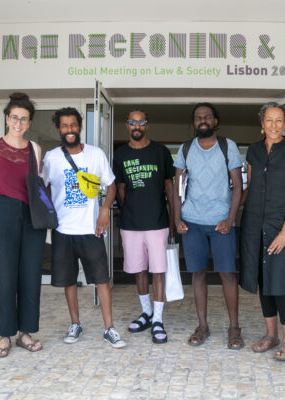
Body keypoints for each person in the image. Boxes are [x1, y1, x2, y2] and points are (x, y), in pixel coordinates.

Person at [42, 107, 125, 348]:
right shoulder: (51, 157)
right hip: (62, 230)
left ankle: (109, 328)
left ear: (80, 127)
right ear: (59, 129)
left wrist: (103, 212)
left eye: (73, 125)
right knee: (69, 281)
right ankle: (75, 323)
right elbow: (42, 188)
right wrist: (47, 214)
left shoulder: (95, 155)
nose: (69, 130)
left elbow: (111, 185)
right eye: (64, 126)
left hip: (91, 230)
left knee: (101, 280)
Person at [0, 92, 45, 357]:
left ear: (29, 123)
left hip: (32, 217)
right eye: (14, 117)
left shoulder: (35, 149)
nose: (18, 123)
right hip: (2, 213)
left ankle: (25, 332)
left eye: (24, 119)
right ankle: (4, 334)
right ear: (7, 118)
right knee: (5, 276)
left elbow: (36, 186)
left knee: (30, 276)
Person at [240, 102, 285, 361]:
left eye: (279, 120)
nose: (274, 125)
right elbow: (250, 187)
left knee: (280, 284)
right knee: (263, 281)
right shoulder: (254, 152)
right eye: (269, 120)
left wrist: (284, 233)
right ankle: (271, 335)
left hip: (282, 226)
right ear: (262, 123)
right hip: (254, 225)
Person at [173, 102, 244, 349]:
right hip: (192, 222)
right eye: (198, 118)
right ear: (194, 123)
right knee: (198, 274)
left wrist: (230, 219)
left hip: (220, 223)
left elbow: (238, 186)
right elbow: (178, 188)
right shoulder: (185, 148)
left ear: (215, 121)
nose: (202, 120)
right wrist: (177, 219)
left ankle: (234, 327)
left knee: (227, 274)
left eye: (207, 117)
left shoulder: (228, 146)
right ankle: (202, 325)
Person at [113, 109, 175, 344]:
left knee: (158, 270)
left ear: (146, 125)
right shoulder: (120, 155)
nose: (136, 126)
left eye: (141, 122)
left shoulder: (160, 152)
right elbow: (120, 188)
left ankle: (158, 319)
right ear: (127, 125)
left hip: (157, 221)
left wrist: (172, 219)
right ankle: (147, 313)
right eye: (132, 122)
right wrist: (127, 212)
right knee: (139, 269)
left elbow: (169, 187)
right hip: (131, 224)